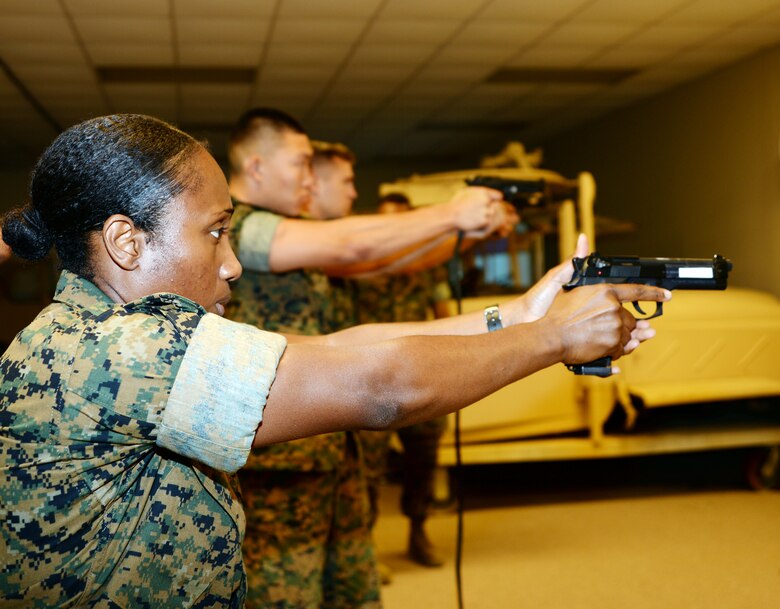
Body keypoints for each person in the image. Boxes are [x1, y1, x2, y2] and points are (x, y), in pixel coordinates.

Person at [0, 114, 667, 609]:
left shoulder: (103, 330)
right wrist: (555, 337)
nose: (231, 263)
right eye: (213, 232)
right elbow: (380, 388)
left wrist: (520, 314)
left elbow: (348, 347)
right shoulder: (122, 349)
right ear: (126, 241)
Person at [225, 109, 517, 609]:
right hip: (281, 455)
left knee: (353, 589)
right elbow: (355, 241)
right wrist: (451, 213)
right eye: (300, 163)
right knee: (284, 594)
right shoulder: (235, 226)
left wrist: (466, 236)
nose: (308, 176)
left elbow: (375, 261)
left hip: (330, 438)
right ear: (256, 167)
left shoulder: (290, 230)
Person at [353, 193, 453, 571]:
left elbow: (444, 317)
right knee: (369, 469)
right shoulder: (359, 268)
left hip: (419, 374)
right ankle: (368, 546)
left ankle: (418, 531)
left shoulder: (429, 267)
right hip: (370, 377)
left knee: (423, 459)